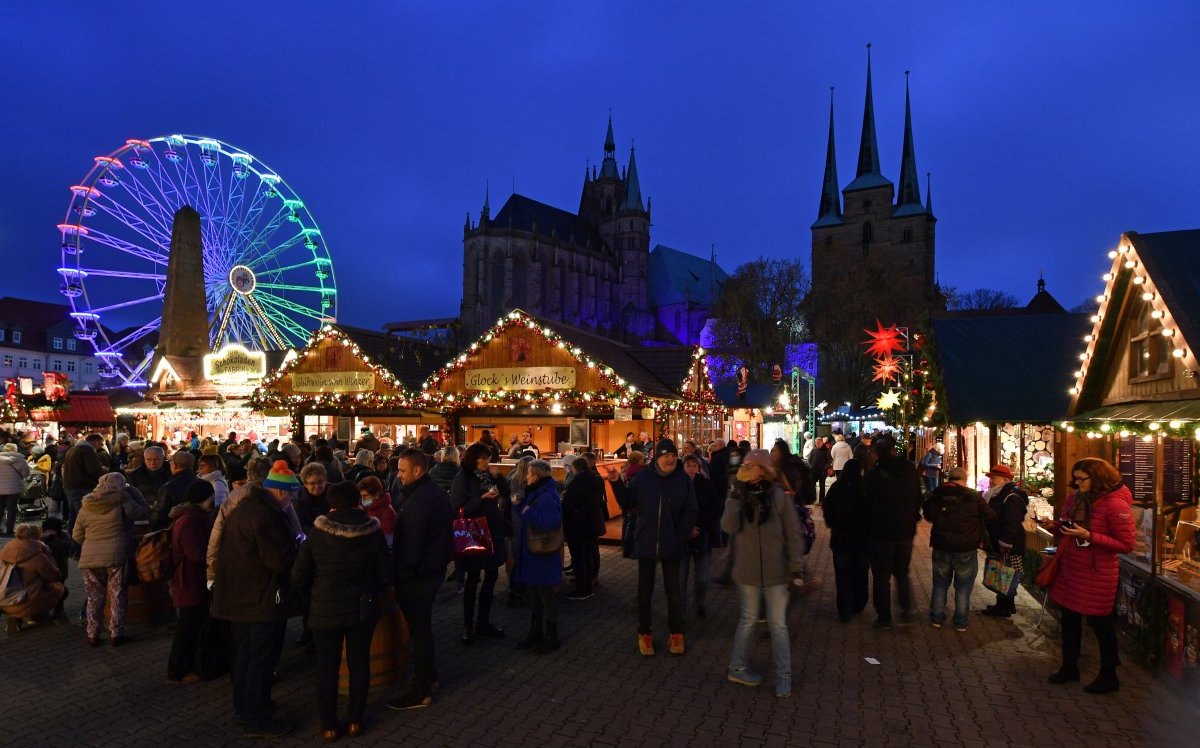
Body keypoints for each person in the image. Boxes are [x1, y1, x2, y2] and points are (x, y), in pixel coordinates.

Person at [292, 481, 393, 741]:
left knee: (327, 668)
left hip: (325, 609)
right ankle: (355, 721)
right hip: (362, 607)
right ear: (357, 500)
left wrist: (312, 597)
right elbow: (384, 573)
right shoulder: (372, 531)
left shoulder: (318, 532)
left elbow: (300, 574)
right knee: (360, 665)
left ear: (331, 502)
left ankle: (328, 725)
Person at [211, 460, 300, 739]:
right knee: (260, 657)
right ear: (280, 492)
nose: (294, 499)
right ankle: (256, 717)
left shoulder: (249, 507)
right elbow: (279, 559)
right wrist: (297, 548)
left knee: (246, 655)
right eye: (293, 494)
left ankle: (249, 705)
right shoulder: (265, 515)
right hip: (259, 597)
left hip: (241, 595)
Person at [1044, 458, 1135, 694]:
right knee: (1069, 620)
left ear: (1097, 478)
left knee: (1100, 624)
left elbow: (1126, 544)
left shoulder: (1115, 505)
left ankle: (1108, 675)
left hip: (1098, 573)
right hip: (1072, 568)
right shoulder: (1076, 498)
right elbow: (1069, 523)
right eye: (1075, 478)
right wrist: (1055, 525)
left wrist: (1089, 534)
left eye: (1081, 479)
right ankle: (1069, 667)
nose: (1076, 483)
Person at [721, 449, 806, 698]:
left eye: (755, 466)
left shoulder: (778, 496)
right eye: (746, 466)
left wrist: (796, 567)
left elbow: (792, 534)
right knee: (747, 621)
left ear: (767, 470)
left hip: (776, 573)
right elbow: (727, 526)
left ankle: (784, 675)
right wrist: (735, 494)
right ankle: (737, 667)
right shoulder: (738, 494)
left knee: (778, 625)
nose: (750, 470)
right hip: (746, 573)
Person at [608, 438, 697, 656]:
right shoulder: (643, 478)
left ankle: (676, 633)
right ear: (657, 457)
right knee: (644, 592)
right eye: (666, 455)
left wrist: (680, 534)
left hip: (672, 543)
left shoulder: (683, 480)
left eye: (673, 455)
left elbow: (691, 510)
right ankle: (644, 633)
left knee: (673, 592)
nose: (670, 459)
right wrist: (616, 483)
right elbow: (628, 502)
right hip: (647, 542)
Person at [388, 448, 453, 711]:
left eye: (402, 471)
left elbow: (412, 547)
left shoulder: (419, 501)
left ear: (417, 471)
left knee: (420, 631)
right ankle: (430, 677)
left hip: (420, 576)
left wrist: (401, 575)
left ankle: (421, 689)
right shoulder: (433, 493)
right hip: (432, 570)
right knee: (422, 629)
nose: (399, 475)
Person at [72, 472, 149, 647]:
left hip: (89, 559)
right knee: (117, 595)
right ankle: (116, 633)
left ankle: (92, 634)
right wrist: (135, 494)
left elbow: (76, 535)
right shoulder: (123, 501)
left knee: (94, 597)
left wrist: (91, 544)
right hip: (117, 557)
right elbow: (143, 513)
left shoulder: (86, 506)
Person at [449, 443, 508, 644]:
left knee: (491, 575)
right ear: (474, 458)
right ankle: (468, 625)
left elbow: (505, 494)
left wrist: (500, 479)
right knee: (473, 579)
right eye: (483, 458)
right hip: (474, 534)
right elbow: (458, 509)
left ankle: (484, 622)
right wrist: (481, 498)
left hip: (492, 531)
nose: (487, 461)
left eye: (488, 457)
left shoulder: (488, 475)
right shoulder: (462, 478)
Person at [863, 436, 923, 630]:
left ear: (877, 453)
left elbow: (866, 503)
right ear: (894, 451)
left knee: (881, 577)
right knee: (902, 573)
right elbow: (918, 498)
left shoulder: (874, 474)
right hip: (905, 531)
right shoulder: (909, 471)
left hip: (881, 532)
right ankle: (906, 611)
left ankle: (884, 618)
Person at [922, 466, 991, 632]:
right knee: (963, 587)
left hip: (942, 545)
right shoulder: (974, 497)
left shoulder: (936, 495)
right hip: (965, 547)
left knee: (939, 584)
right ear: (965, 479)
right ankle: (960, 622)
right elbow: (990, 515)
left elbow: (928, 515)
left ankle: (937, 618)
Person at [167, 479, 216, 684]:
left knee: (191, 626)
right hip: (189, 582)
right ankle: (177, 671)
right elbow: (196, 554)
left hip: (192, 581)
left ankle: (186, 667)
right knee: (187, 628)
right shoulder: (189, 521)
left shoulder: (193, 518)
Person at [513, 459, 564, 653]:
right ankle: (536, 632)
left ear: (536, 475)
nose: (526, 476)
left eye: (528, 473)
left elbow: (550, 522)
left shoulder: (546, 496)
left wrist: (526, 510)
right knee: (535, 593)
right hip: (533, 552)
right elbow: (527, 514)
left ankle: (551, 636)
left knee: (545, 594)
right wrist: (519, 506)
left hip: (542, 553)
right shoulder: (537, 492)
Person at [822, 458, 870, 622]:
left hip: (841, 538)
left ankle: (844, 608)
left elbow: (827, 509)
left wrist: (832, 524)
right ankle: (859, 602)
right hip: (862, 540)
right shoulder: (865, 489)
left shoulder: (837, 488)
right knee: (860, 572)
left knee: (843, 575)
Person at [981, 464, 1029, 619]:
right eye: (990, 478)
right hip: (999, 542)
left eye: (994, 478)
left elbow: (1012, 523)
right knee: (1001, 575)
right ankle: (1004, 606)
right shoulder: (998, 494)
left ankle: (1004, 608)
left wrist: (1005, 543)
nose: (991, 481)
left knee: (1005, 576)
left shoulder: (1011, 497)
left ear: (1005, 479)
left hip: (1008, 545)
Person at [1, 523, 67, 634]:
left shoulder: (4, 552)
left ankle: (14, 618)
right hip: (26, 600)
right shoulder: (38, 556)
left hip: (4, 598)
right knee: (60, 589)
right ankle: (38, 616)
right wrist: (49, 555)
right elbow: (55, 576)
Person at [680, 454, 720, 619]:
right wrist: (685, 529)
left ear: (699, 467)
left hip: (702, 536)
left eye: (693, 466)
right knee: (680, 578)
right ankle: (680, 610)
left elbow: (714, 508)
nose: (691, 468)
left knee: (702, 578)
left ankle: (700, 602)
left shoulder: (706, 485)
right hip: (682, 538)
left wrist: (700, 527)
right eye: (688, 465)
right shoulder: (677, 485)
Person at [562, 457, 603, 600]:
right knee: (587, 555)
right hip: (590, 523)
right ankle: (588, 586)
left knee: (579, 557)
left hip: (578, 525)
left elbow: (569, 504)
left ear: (574, 467)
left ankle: (582, 589)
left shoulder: (578, 482)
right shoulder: (594, 479)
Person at [62, 434, 104, 541]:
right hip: (82, 486)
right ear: (94, 442)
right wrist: (103, 472)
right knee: (82, 517)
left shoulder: (73, 449)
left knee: (73, 517)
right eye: (99, 443)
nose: (100, 446)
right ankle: (78, 547)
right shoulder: (87, 451)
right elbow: (93, 470)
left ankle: (72, 545)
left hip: (70, 486)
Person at [152, 450, 198, 529]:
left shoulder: (169, 487)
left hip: (173, 530)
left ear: (175, 465)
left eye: (171, 463)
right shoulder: (201, 483)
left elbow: (159, 515)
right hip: (196, 528)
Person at [40, 517, 71, 620]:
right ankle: (44, 611)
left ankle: (59, 610)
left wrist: (53, 538)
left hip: (60, 570)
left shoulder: (62, 536)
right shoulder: (40, 537)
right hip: (45, 570)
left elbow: (66, 547)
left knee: (60, 590)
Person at [357, 476, 397, 548]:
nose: (362, 499)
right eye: (361, 496)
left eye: (365, 496)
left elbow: (388, 541)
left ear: (377, 495)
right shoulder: (368, 508)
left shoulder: (388, 513)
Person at [771, 440, 815, 506]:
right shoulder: (780, 465)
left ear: (781, 452)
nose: (771, 453)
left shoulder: (791, 466)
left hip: (794, 505)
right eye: (771, 451)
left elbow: (795, 490)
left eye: (774, 451)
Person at [0, 442, 31, 536]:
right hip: (14, 489)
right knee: (11, 509)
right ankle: (9, 530)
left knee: (0, 509)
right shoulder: (21, 460)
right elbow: (26, 474)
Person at [295, 463, 332, 535]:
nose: (317, 486)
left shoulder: (333, 492)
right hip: (310, 536)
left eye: (320, 482)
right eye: (312, 483)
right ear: (305, 484)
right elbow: (300, 525)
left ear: (325, 480)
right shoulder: (298, 499)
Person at [809, 437, 832, 504]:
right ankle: (813, 498)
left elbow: (830, 460)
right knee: (812, 485)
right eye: (816, 443)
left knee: (822, 486)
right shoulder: (813, 450)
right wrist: (810, 466)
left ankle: (821, 500)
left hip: (822, 471)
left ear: (822, 442)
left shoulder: (826, 450)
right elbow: (809, 459)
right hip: (814, 470)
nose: (817, 444)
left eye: (818, 442)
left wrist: (825, 467)